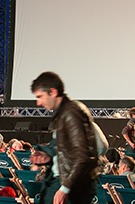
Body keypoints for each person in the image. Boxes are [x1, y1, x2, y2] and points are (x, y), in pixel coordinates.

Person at [31, 72, 98, 204]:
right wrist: (49, 156)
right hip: (66, 182)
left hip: (72, 186)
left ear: (53, 92)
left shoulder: (71, 112)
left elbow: (83, 155)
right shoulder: (64, 113)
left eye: (40, 97)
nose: (38, 103)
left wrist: (65, 188)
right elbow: (69, 151)